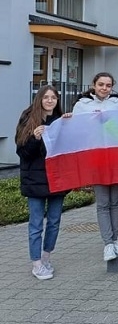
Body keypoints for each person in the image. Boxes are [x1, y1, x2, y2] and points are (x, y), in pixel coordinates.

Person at [16, 85, 71, 280]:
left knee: (54, 222)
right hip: (35, 181)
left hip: (57, 180)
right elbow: (22, 153)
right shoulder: (28, 119)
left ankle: (47, 257)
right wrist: (34, 138)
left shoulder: (61, 121)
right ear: (39, 99)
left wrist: (70, 125)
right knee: (36, 224)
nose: (49, 100)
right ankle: (36, 263)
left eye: (53, 98)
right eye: (46, 97)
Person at [72, 72, 118, 262]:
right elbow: (76, 130)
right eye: (101, 84)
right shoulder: (82, 105)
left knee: (115, 202)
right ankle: (107, 243)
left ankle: (115, 239)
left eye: (108, 85)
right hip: (96, 158)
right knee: (103, 203)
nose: (104, 88)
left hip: (115, 157)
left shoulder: (116, 104)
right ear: (94, 85)